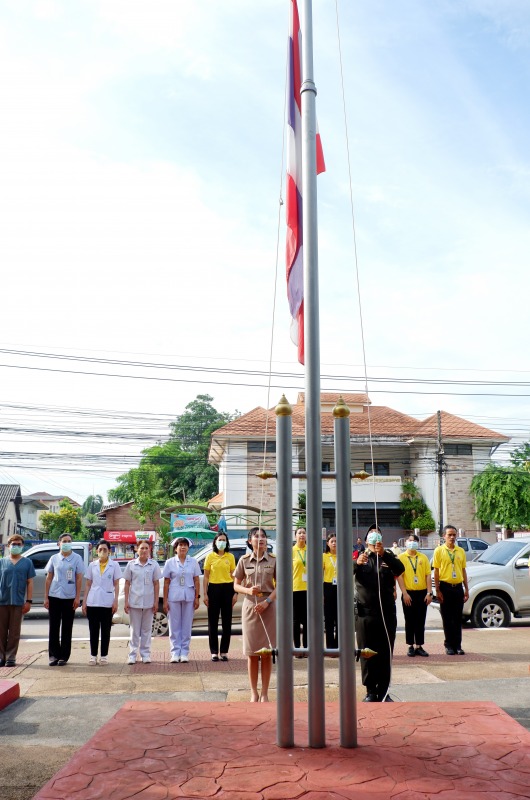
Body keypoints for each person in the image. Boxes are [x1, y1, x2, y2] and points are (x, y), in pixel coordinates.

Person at [353, 524, 405, 702]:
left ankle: (384, 691)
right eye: (372, 534)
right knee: (367, 652)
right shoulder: (359, 556)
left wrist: (383, 554)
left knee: (385, 652)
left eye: (378, 534)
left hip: (386, 614)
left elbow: (400, 569)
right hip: (365, 614)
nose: (375, 536)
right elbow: (345, 571)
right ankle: (370, 690)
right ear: (366, 539)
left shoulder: (388, 556)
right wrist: (356, 563)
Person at [234, 527, 276, 702]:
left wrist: (267, 602)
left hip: (269, 605)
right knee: (252, 653)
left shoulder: (274, 560)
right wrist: (248, 590)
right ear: (250, 541)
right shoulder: (244, 561)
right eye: (256, 536)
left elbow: (280, 585)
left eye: (263, 536)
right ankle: (253, 692)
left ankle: (265, 692)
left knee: (266, 653)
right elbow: (236, 585)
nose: (261, 539)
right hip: (251, 606)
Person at [44, 533, 84, 666]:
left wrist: (78, 597)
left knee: (67, 627)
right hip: (54, 596)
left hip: (69, 597)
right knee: (53, 627)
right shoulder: (54, 558)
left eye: (69, 541)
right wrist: (46, 597)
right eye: (64, 541)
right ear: (59, 543)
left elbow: (79, 578)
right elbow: (49, 577)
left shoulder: (77, 558)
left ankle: (64, 656)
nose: (66, 543)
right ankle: (54, 656)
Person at [82, 540, 121, 665]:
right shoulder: (92, 565)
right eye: (100, 550)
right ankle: (93, 655)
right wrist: (84, 602)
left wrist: (115, 601)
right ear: (96, 551)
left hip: (107, 602)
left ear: (109, 551)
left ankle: (104, 655)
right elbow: (88, 584)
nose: (102, 552)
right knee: (93, 630)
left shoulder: (114, 565)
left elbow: (116, 584)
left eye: (105, 549)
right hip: (93, 602)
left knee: (106, 630)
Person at [162, 538, 201, 663]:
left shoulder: (193, 562)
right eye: (180, 545)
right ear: (176, 548)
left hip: (189, 596)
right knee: (174, 625)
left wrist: (196, 598)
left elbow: (196, 580)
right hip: (174, 596)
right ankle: (175, 652)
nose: (183, 547)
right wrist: (165, 600)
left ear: (188, 548)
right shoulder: (170, 562)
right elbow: (166, 582)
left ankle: (184, 652)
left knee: (186, 625)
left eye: (185, 545)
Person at [123, 541, 162, 665]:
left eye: (146, 548)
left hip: (149, 602)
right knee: (134, 630)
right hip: (134, 602)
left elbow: (156, 583)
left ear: (149, 550)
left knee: (146, 630)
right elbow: (127, 583)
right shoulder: (131, 565)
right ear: (137, 550)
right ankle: (132, 654)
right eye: (142, 548)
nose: (144, 550)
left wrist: (156, 602)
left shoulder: (153, 565)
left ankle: (145, 654)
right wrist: (126, 601)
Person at [0, 534, 35, 667]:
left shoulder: (27, 562)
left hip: (18, 601)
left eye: (19, 544)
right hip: (2, 601)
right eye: (13, 544)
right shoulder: (2, 562)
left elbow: (30, 582)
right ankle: (1, 656)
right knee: (1, 631)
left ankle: (11, 657)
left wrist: (29, 601)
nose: (16, 546)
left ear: (22, 546)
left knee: (14, 631)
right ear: (8, 546)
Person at [433, 525, 469, 656]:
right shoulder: (439, 551)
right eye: (449, 535)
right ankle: (448, 645)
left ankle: (458, 645)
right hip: (445, 587)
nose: (452, 537)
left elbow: (463, 570)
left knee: (457, 618)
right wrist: (437, 590)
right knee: (447, 618)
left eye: (454, 535)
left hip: (458, 587)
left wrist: (466, 589)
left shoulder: (460, 551)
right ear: (444, 536)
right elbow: (436, 571)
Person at [203, 532, 237, 661]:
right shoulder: (210, 557)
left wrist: (236, 593)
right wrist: (205, 594)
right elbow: (206, 576)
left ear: (227, 542)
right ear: (215, 542)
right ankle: (214, 652)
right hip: (214, 589)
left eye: (224, 540)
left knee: (227, 622)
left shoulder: (231, 557)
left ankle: (224, 651)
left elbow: (234, 575)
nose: (222, 542)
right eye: (220, 540)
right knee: (213, 622)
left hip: (228, 588)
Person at [398, 535, 432, 657]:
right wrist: (404, 593)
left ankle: (419, 645)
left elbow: (428, 575)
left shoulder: (423, 557)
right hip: (408, 593)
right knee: (409, 620)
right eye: (410, 541)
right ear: (406, 542)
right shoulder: (401, 557)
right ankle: (410, 645)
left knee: (420, 620)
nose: (412, 543)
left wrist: (429, 593)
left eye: (415, 541)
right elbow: (399, 576)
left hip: (422, 593)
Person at [292, 527, 307, 656]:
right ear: (295, 536)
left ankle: (307, 647)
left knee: (307, 620)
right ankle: (297, 648)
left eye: (304, 533)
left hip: (309, 590)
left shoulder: (311, 550)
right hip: (295, 589)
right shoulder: (291, 551)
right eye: (299, 533)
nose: (302, 535)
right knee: (295, 621)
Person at [322, 533, 338, 651]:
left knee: (339, 618)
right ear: (328, 543)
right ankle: (330, 645)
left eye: (336, 541)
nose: (334, 543)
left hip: (340, 587)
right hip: (328, 587)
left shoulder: (342, 556)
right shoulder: (324, 556)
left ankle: (338, 644)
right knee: (329, 617)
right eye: (332, 541)